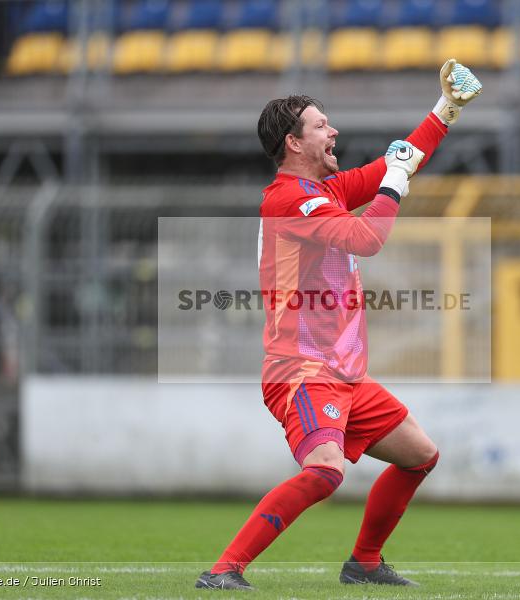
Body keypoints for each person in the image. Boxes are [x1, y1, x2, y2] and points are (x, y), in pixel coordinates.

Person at [195, 59, 482, 590]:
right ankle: (223, 571)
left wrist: (446, 110)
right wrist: (393, 186)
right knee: (326, 470)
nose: (334, 132)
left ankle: (364, 564)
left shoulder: (322, 192)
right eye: (321, 125)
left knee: (420, 455)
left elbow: (399, 162)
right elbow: (366, 238)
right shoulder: (288, 198)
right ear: (293, 143)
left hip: (343, 373)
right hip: (301, 370)